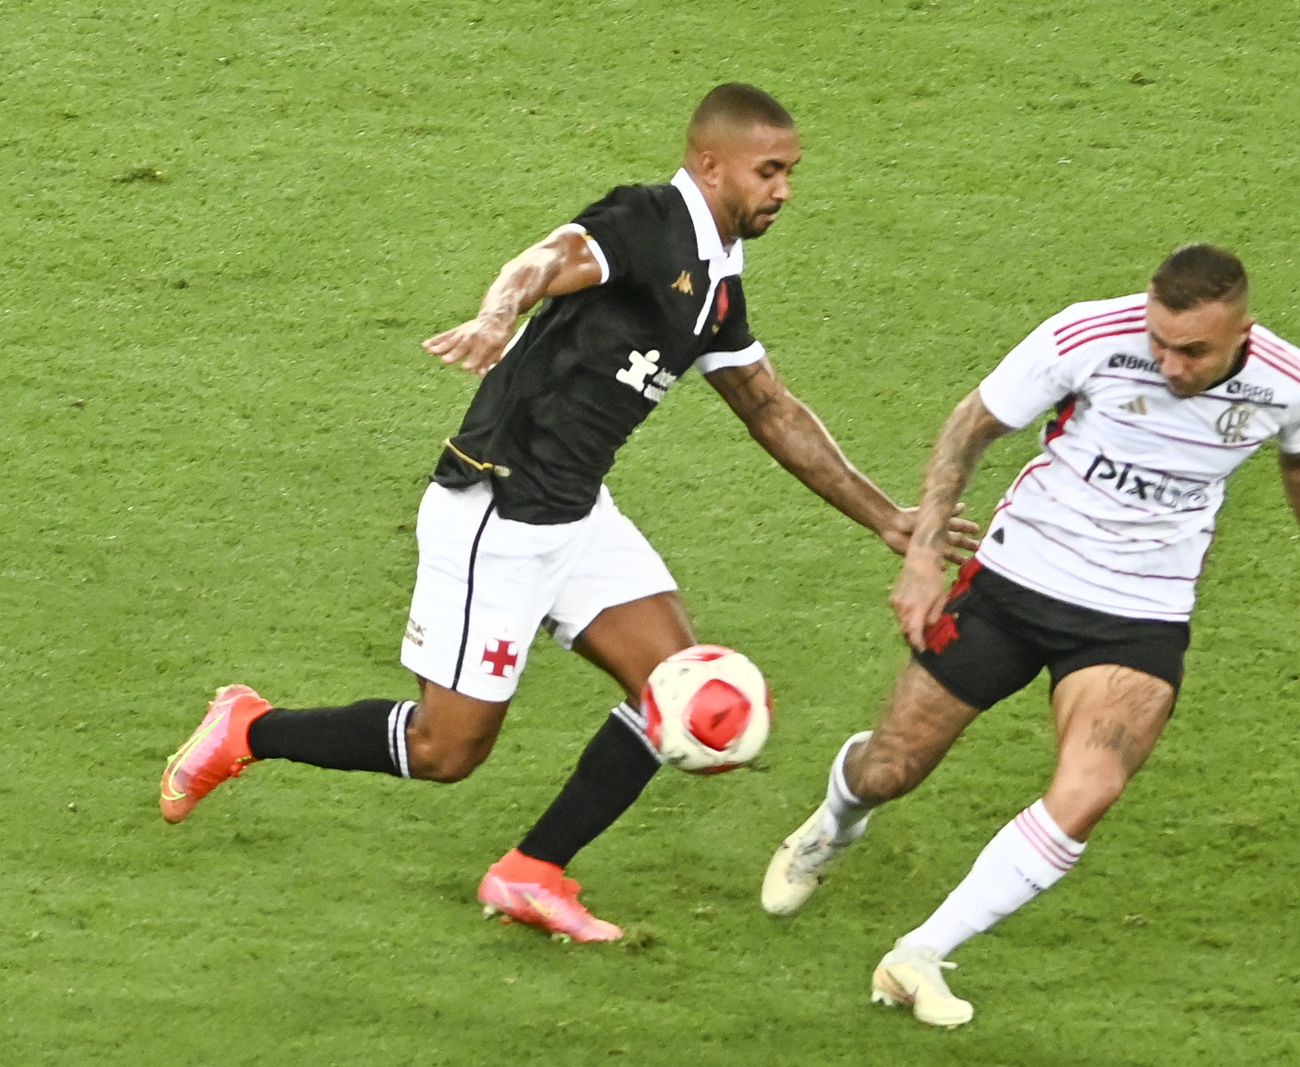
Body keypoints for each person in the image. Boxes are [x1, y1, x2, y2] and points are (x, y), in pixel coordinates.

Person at [159, 83, 975, 942]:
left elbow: (769, 407)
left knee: (680, 692)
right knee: (446, 750)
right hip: (500, 511)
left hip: (577, 512)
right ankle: (248, 728)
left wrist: (887, 517)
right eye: (768, 171)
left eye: (789, 172)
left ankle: (532, 870)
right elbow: (547, 259)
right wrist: (497, 312)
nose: (784, 190)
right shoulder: (649, 221)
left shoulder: (717, 277)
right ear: (711, 164)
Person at [761, 244, 1300, 1025]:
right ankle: (837, 820)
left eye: (1193, 352)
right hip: (1016, 581)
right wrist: (924, 554)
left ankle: (920, 952)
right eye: (1160, 343)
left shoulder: (1289, 383)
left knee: (1091, 786)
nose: (1171, 365)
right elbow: (970, 426)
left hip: (1140, 613)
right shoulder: (1088, 336)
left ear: (1241, 332)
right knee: (891, 769)